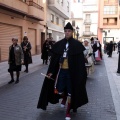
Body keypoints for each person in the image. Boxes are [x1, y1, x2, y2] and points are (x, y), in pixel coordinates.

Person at [37, 22, 88, 120]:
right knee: (59, 89)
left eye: (69, 31)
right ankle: (64, 98)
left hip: (71, 73)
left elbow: (80, 63)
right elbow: (54, 60)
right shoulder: (59, 44)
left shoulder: (77, 45)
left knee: (70, 91)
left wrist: (82, 75)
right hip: (61, 72)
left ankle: (68, 111)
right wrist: (51, 71)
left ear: (72, 32)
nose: (67, 33)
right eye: (65, 31)